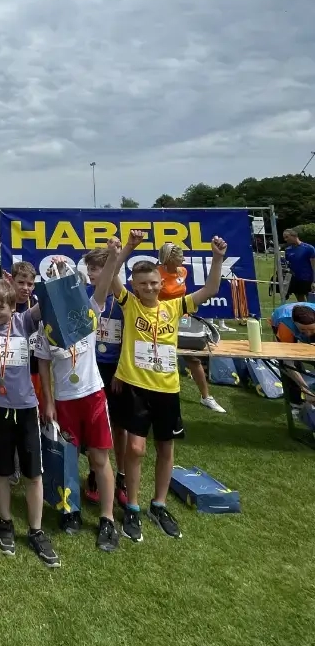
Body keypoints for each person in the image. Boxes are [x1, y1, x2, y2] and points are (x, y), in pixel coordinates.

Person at [109, 230, 228, 543]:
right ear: (135, 285)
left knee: (166, 448)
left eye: (153, 283)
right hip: (136, 387)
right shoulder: (129, 304)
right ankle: (132, 506)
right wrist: (127, 248)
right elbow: (110, 278)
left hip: (167, 389)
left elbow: (211, 289)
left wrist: (217, 259)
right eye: (143, 284)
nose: (149, 288)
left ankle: (158, 505)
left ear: (161, 283)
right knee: (136, 448)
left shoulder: (174, 307)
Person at [0, 237, 60, 568]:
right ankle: (6, 521)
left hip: (25, 408)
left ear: (12, 307)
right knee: (1, 469)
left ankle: (36, 529)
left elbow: (47, 301)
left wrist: (56, 274)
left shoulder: (23, 322)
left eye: (2, 307)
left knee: (33, 472)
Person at [36, 239, 123, 553]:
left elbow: (104, 284)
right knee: (68, 460)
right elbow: (43, 365)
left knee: (99, 459)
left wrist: (113, 256)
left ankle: (107, 518)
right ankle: (69, 509)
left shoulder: (88, 310)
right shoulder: (46, 325)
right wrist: (48, 402)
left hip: (93, 396)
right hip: (65, 401)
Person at [82, 246, 127, 508]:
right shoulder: (86, 295)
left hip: (116, 370)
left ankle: (121, 474)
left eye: (96, 268)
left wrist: (121, 370)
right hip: (91, 368)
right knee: (94, 422)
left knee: (118, 425)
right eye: (89, 268)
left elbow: (129, 340)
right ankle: (94, 472)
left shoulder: (123, 299)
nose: (91, 273)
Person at [158, 242, 225, 414]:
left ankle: (206, 397)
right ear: (170, 259)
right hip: (161, 322)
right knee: (160, 360)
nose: (184, 259)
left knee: (193, 359)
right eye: (180, 256)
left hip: (183, 321)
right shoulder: (157, 274)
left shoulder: (183, 271)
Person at [282, 229, 315, 301]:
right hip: (295, 280)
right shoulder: (288, 250)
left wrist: (314, 281)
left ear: (294, 236)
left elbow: (314, 266)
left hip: (308, 279)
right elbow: (288, 266)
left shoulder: (309, 248)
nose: (285, 240)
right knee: (300, 302)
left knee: (311, 302)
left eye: (287, 237)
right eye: (284, 238)